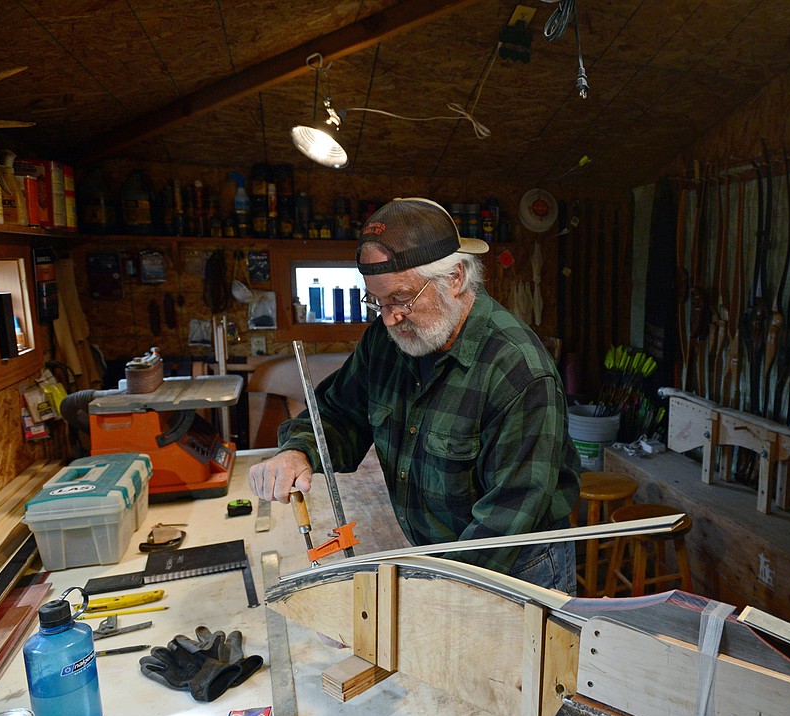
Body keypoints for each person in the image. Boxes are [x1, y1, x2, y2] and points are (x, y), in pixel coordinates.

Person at [248, 197, 581, 593]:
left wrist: (418, 595)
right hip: (436, 559)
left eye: (402, 299)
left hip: (516, 569)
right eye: (377, 301)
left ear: (455, 279)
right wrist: (297, 451)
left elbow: (509, 515)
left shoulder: (518, 371)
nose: (390, 318)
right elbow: (337, 414)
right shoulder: (386, 341)